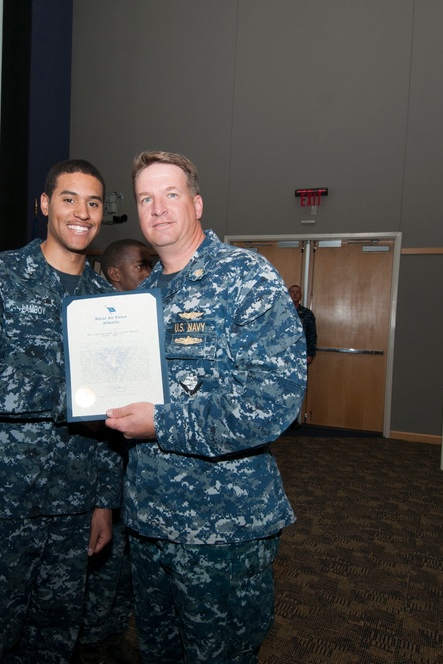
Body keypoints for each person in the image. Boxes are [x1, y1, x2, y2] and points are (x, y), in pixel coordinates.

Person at [105, 150, 307, 663]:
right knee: (159, 652)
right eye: (146, 198)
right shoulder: (140, 299)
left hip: (222, 527)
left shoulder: (245, 277)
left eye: (171, 194)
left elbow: (271, 400)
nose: (158, 208)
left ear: (196, 203)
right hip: (150, 521)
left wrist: (160, 421)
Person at [0, 159, 123, 663]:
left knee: (55, 643)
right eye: (69, 198)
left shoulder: (107, 300)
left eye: (93, 203)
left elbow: (112, 421)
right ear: (45, 205)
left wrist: (104, 500)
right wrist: (71, 395)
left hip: (74, 508)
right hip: (0, 503)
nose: (82, 213)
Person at [72, 239, 153, 664]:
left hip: (143, 473)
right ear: (115, 275)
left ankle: (115, 633)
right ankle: (91, 642)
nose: (149, 274)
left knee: (126, 564)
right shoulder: (95, 321)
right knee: (101, 560)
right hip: (104, 463)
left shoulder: (150, 317)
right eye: (141, 266)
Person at [287, 284, 317, 428]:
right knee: (282, 387)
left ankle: (293, 420)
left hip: (300, 357)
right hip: (283, 357)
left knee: (298, 387)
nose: (294, 294)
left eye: (297, 292)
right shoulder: (281, 311)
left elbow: (312, 335)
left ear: (301, 295)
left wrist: (310, 354)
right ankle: (281, 421)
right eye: (292, 292)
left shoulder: (307, 314)